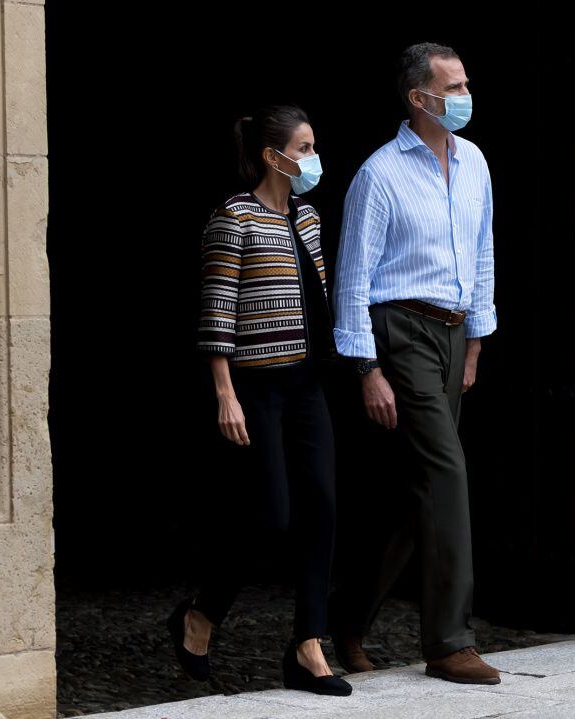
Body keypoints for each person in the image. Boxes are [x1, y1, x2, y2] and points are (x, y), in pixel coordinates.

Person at [166, 105, 351, 697]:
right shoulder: (233, 216)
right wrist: (225, 394)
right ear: (273, 157)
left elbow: (320, 296)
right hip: (254, 387)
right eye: (303, 148)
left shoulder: (310, 219)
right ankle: (201, 614)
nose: (312, 159)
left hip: (306, 384)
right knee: (270, 515)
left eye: (313, 146)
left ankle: (308, 647)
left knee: (322, 506)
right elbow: (217, 307)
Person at [330, 42, 499, 685]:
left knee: (416, 492)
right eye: (451, 87)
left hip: (454, 335)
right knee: (448, 475)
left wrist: (477, 339)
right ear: (418, 98)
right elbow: (352, 276)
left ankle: (345, 620)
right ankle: (449, 642)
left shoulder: (476, 162)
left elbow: (483, 250)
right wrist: (366, 367)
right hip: (398, 330)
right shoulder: (380, 173)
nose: (463, 96)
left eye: (465, 83)